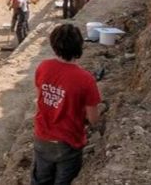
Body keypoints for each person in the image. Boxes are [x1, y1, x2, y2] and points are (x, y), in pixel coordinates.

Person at [32, 24, 102, 185]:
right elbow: (93, 119)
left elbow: (40, 98)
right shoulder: (85, 79)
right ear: (79, 46)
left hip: (42, 137)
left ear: (54, 45)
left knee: (41, 180)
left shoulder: (43, 67)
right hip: (68, 142)